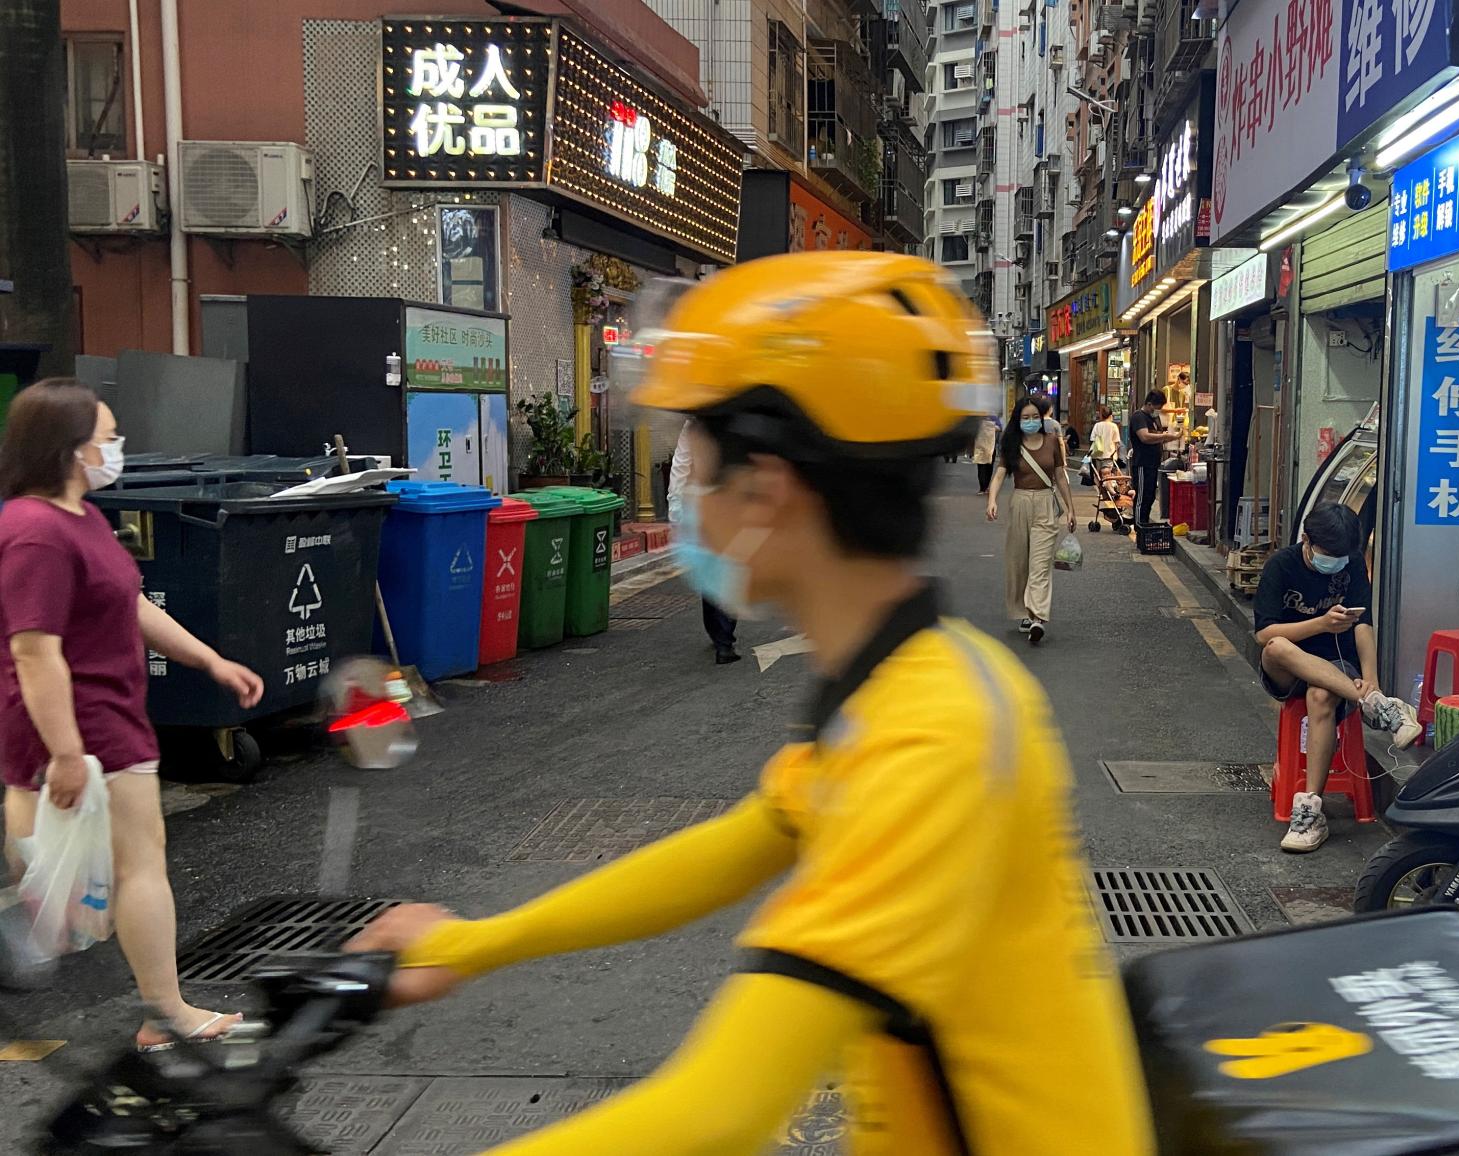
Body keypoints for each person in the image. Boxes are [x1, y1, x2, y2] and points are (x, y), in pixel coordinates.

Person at [347, 252, 1153, 1156]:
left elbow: (720, 1109)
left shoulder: (935, 737)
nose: (684, 493)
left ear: (767, 487)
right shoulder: (902, 678)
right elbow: (726, 851)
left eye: (699, 460)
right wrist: (473, 943)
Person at [0, 380, 266, 1049]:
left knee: (75, 871)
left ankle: (154, 1006)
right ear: (68, 448)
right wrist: (64, 751)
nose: (116, 448)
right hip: (82, 725)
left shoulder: (81, 518)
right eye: (107, 437)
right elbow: (34, 652)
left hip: (96, 718)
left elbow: (132, 606)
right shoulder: (36, 532)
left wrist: (209, 661)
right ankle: (166, 1013)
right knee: (136, 866)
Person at [1255, 502, 1421, 853]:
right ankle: (1375, 707)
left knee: (1320, 697)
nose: (1336, 562)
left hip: (1337, 664)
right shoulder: (1281, 566)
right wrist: (1320, 624)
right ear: (1306, 541)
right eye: (1329, 555)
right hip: (1286, 669)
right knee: (1275, 647)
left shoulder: (1353, 564)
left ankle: (1310, 811)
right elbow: (1263, 633)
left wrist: (1371, 678)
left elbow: (1363, 624)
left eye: (1343, 556)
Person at [986, 394, 1075, 645]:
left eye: (1035, 417)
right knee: (1019, 561)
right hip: (1020, 502)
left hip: (1046, 503)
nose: (1031, 421)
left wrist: (1070, 508)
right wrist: (992, 500)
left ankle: (1038, 618)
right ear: (1018, 419)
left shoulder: (1051, 443)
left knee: (1041, 562)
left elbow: (1060, 476)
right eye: (1026, 417)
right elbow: (999, 474)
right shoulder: (1011, 443)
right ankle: (1025, 610)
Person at [670, 427, 741, 665]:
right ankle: (724, 640)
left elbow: (680, 464)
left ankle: (717, 633)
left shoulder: (694, 425)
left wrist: (675, 507)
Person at [1127, 390, 1174, 527]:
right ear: (1149, 404)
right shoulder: (1138, 417)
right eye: (1157, 407)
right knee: (1142, 496)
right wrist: (1165, 436)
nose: (1158, 411)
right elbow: (1145, 437)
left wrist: (1167, 437)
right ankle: (1139, 526)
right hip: (1142, 463)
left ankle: (1145, 524)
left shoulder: (1154, 418)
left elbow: (1157, 437)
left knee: (1150, 495)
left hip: (1153, 463)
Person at [971, 411, 999, 495]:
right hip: (980, 447)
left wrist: (990, 427)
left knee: (989, 467)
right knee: (981, 467)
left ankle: (986, 486)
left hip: (991, 446)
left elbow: (1000, 428)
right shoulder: (976, 418)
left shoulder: (993, 417)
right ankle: (982, 488)